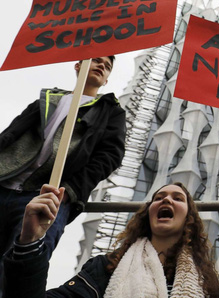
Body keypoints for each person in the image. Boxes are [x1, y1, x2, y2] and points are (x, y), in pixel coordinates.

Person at [0, 182, 219, 298]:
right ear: (148, 213)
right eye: (159, 197)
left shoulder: (205, 286)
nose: (166, 200)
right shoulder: (103, 271)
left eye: (178, 198)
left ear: (189, 219)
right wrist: (29, 243)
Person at [0, 56, 126, 266]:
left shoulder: (110, 111)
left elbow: (109, 157)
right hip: (4, 182)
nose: (102, 66)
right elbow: (10, 134)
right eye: (96, 60)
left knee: (20, 270)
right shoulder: (48, 99)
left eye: (108, 67)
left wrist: (70, 191)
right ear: (78, 66)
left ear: (106, 80)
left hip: (48, 195)